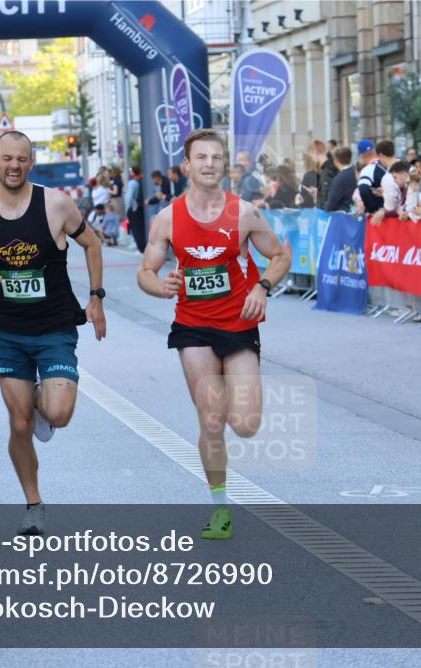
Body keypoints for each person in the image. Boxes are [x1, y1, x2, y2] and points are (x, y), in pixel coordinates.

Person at [137, 128, 291, 540]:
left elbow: (280, 255)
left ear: (224, 165)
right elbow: (146, 273)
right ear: (187, 165)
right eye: (200, 157)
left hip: (239, 324)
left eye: (216, 158)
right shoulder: (169, 217)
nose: (208, 164)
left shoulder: (244, 214)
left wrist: (263, 286)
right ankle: (220, 509)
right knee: (211, 418)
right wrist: (160, 286)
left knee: (245, 424)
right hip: (193, 327)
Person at [0, 131, 106, 536]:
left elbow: (92, 245)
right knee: (20, 424)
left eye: (21, 159)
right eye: (6, 158)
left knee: (58, 412)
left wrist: (95, 297)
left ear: (31, 162)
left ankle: (45, 404)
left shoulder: (55, 203)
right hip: (8, 329)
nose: (13, 166)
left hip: (55, 325)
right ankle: (34, 504)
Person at [357, 139, 395, 214]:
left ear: (361, 156)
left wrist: (372, 209)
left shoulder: (367, 170)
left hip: (381, 216)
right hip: (400, 214)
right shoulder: (396, 164)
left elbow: (363, 190)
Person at [324, 146, 356, 213]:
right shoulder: (357, 172)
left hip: (344, 216)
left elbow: (331, 204)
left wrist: (325, 206)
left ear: (336, 161)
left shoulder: (339, 179)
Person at [124, 165, 146, 251]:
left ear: (133, 172)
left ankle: (140, 247)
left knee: (135, 228)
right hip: (141, 207)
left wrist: (127, 208)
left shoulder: (132, 183)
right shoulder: (142, 180)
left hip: (134, 208)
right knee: (141, 228)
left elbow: (129, 197)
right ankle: (143, 245)